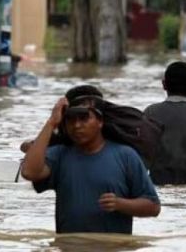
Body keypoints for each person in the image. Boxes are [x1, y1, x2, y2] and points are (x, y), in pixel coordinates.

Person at [20, 90, 161, 234]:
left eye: (83, 118)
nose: (77, 126)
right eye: (71, 120)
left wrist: (121, 204)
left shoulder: (126, 156)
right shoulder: (59, 155)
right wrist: (51, 123)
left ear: (100, 121)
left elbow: (153, 206)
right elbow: (29, 172)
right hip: (69, 247)